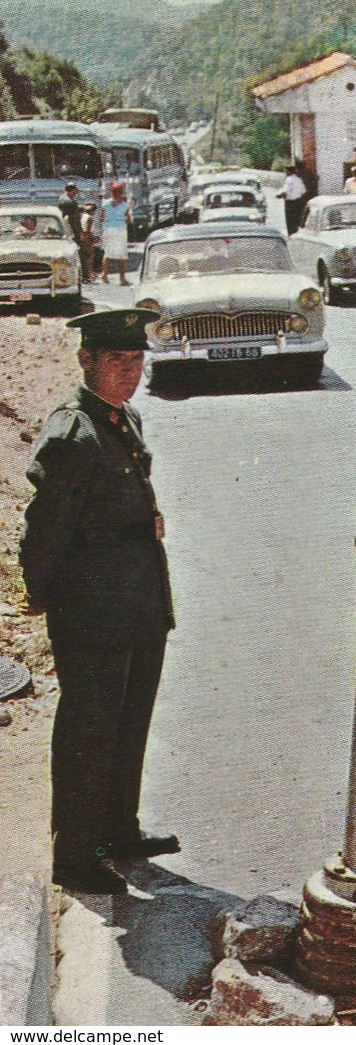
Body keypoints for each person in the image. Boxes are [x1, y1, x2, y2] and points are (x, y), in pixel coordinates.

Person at [20, 308, 178, 896]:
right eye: (116, 361)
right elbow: (44, 529)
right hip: (92, 605)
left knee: (130, 719)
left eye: (137, 360)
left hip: (137, 594)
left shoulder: (121, 418)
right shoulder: (72, 432)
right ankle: (77, 856)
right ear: (86, 361)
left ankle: (117, 830)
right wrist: (41, 596)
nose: (130, 372)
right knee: (89, 728)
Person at [99, 183, 131, 285]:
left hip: (108, 230)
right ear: (121, 193)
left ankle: (104, 275)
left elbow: (101, 218)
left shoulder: (105, 204)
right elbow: (128, 220)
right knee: (122, 255)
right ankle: (122, 278)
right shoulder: (125, 205)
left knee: (107, 253)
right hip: (120, 230)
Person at [58, 182, 86, 275]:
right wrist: (80, 233)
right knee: (80, 252)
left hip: (65, 230)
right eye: (75, 191)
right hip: (73, 232)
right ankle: (84, 275)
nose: (76, 193)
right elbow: (75, 220)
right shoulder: (71, 202)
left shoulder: (61, 199)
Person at [278, 164, 308, 232]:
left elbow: (285, 192)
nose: (285, 173)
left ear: (289, 171)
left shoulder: (289, 179)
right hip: (298, 203)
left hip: (290, 204)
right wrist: (297, 195)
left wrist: (279, 196)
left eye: (285, 171)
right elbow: (304, 190)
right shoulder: (299, 179)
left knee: (290, 223)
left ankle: (291, 237)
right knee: (297, 222)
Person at [81, 203, 102, 282]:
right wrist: (93, 239)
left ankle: (88, 274)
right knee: (89, 258)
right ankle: (89, 275)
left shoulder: (82, 216)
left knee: (85, 258)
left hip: (83, 238)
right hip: (87, 240)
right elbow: (88, 231)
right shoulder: (90, 218)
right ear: (94, 211)